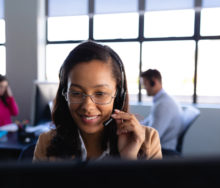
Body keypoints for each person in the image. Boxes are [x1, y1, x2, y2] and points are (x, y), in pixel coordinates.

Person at [33, 41, 162, 161]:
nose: (87, 106)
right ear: (65, 94)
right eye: (76, 93)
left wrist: (128, 161)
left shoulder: (148, 140)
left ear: (118, 95)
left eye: (100, 93)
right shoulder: (46, 143)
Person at [140, 69, 183, 151]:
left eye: (145, 84)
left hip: (163, 150)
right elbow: (148, 122)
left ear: (154, 82)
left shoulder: (164, 105)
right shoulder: (161, 100)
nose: (144, 88)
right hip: (159, 147)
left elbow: (153, 137)